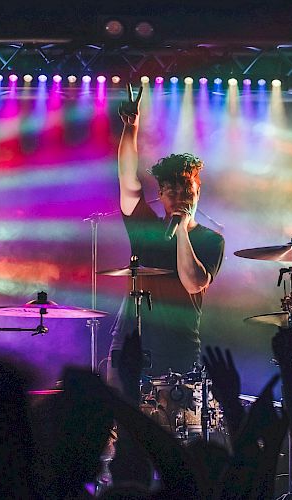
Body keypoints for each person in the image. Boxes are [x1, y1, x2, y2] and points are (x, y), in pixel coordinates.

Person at [108, 83, 225, 381]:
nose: (179, 195)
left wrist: (182, 231)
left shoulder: (211, 240)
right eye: (170, 190)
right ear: (160, 194)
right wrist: (130, 129)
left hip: (179, 351)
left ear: (198, 191)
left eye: (186, 188)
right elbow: (126, 177)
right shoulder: (145, 227)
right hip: (132, 346)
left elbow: (193, 282)